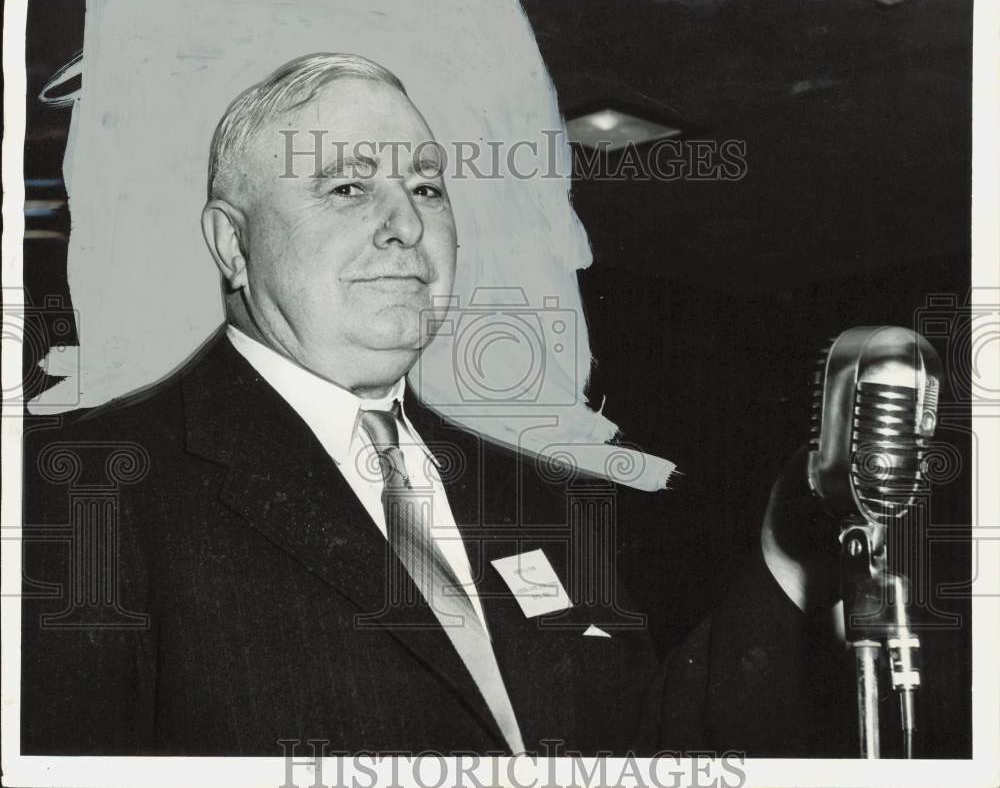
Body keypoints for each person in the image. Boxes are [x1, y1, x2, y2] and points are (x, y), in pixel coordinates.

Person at [22, 53, 849, 757]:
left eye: (426, 188)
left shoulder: (540, 498)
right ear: (232, 243)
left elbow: (643, 748)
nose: (405, 225)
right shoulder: (88, 490)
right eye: (347, 186)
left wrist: (787, 548)